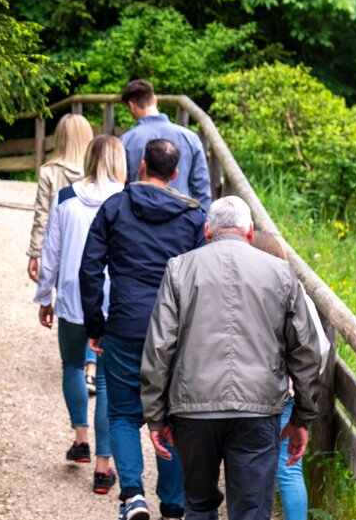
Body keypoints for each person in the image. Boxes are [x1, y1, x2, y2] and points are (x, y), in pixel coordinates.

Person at [140, 196, 322, 520]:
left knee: (198, 505)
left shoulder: (179, 268)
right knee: (250, 512)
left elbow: (158, 347)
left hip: (193, 410)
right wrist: (302, 417)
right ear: (250, 232)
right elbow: (305, 350)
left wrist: (155, 415)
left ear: (208, 231)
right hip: (258, 409)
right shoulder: (280, 272)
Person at [80, 138, 207, 520]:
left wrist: (95, 325)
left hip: (125, 323)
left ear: (140, 167)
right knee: (172, 415)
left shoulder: (115, 207)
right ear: (176, 173)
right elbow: (205, 277)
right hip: (175, 331)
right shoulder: (192, 215)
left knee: (122, 414)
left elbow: (90, 269)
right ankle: (172, 504)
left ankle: (133, 494)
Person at [34, 135, 126, 494]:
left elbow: (50, 253)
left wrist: (45, 297)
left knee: (72, 365)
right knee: (105, 381)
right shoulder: (125, 198)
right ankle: (104, 468)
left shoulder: (67, 198)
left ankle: (80, 439)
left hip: (73, 298)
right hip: (113, 301)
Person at [250, 230, 330, 520]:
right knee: (288, 467)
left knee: (252, 463)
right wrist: (302, 385)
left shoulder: (245, 292)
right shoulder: (298, 293)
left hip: (251, 392)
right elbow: (319, 347)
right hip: (286, 394)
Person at [120, 79, 211, 211]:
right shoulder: (190, 138)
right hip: (183, 219)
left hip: (139, 220)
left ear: (131, 105)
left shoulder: (125, 142)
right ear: (155, 100)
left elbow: (119, 187)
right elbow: (201, 188)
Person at [27, 113, 93, 283]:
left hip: (59, 248)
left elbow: (41, 215)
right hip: (92, 246)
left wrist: (35, 252)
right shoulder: (95, 172)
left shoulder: (48, 172)